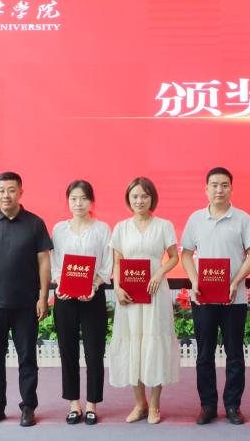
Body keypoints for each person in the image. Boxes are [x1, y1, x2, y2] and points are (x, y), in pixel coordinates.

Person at [0, 171, 53, 428]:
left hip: (26, 304)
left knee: (27, 358)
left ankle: (28, 407)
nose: (6, 195)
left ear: (21, 192)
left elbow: (44, 262)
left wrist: (43, 296)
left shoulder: (35, 224)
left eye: (11, 190)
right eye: (1, 190)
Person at [180, 167, 250, 425]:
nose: (219, 190)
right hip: (203, 298)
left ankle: (233, 405)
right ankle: (208, 405)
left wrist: (236, 282)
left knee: (235, 354)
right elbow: (185, 254)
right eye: (214, 185)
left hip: (234, 299)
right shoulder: (195, 219)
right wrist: (194, 280)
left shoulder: (242, 219)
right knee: (205, 354)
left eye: (224, 185)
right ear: (206, 189)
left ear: (231, 189)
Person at [108, 176, 180, 424]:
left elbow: (173, 257)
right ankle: (140, 404)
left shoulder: (164, 225)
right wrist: (116, 288)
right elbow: (117, 262)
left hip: (155, 293)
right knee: (133, 345)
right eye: (135, 196)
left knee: (154, 344)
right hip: (129, 296)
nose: (139, 200)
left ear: (152, 198)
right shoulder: (121, 228)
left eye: (144, 196)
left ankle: (155, 406)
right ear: (129, 199)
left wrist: (159, 273)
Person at [51, 180, 113, 425]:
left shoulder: (102, 229)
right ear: (68, 201)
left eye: (84, 198)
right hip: (65, 298)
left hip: (93, 296)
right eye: (74, 198)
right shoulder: (59, 229)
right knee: (68, 351)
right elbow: (55, 262)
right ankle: (74, 404)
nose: (78, 203)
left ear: (91, 201)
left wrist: (94, 285)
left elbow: (107, 264)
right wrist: (60, 284)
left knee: (94, 352)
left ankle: (91, 404)